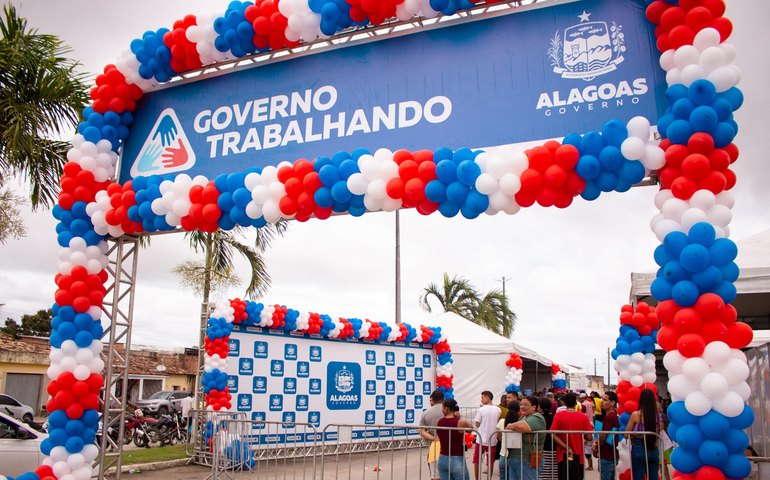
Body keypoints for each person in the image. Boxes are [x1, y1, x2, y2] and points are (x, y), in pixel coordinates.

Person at [502, 396, 546, 480]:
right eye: (521, 404)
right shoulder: (523, 417)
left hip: (527, 459)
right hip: (515, 458)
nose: (522, 407)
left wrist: (510, 425)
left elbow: (522, 427)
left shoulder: (537, 418)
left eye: (526, 405)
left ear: (534, 407)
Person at [552, 392, 593, 480]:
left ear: (564, 403)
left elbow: (554, 435)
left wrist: (566, 447)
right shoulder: (583, 417)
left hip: (562, 455)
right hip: (579, 455)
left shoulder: (558, 415)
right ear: (576, 403)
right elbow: (589, 437)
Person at [625, 388, 664, 480]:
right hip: (653, 448)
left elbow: (626, 434)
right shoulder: (659, 416)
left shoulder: (636, 414)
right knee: (653, 476)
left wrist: (636, 434)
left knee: (638, 476)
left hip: (638, 447)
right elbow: (660, 430)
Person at [437, 399, 473, 480]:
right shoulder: (459, 422)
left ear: (446, 409)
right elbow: (471, 428)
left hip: (442, 458)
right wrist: (459, 418)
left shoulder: (439, 422)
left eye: (442, 408)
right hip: (456, 458)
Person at [474, 391, 501, 480]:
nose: (481, 400)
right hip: (492, 439)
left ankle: (477, 478)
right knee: (491, 462)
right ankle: (489, 478)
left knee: (477, 461)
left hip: (481, 439)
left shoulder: (481, 409)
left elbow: (477, 424)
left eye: (482, 398)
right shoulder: (498, 409)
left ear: (487, 398)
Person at [420, 390, 446, 480]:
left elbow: (422, 431)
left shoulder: (426, 413)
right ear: (444, 399)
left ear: (433, 400)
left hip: (433, 446)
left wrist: (434, 438)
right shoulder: (449, 411)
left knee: (435, 474)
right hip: (450, 445)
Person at [597, 392, 619, 480]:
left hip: (607, 455)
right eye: (602, 399)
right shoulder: (613, 416)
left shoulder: (609, 417)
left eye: (605, 400)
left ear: (613, 403)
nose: (602, 401)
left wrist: (597, 447)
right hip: (611, 454)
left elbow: (603, 436)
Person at [497, 400, 520, 479]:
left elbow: (499, 437)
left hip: (503, 454)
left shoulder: (502, 421)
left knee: (503, 477)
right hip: (516, 456)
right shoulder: (521, 422)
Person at [537, 397, 558, 480]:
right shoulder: (554, 417)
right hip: (554, 447)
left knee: (542, 472)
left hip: (542, 448)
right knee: (553, 472)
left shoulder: (538, 418)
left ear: (540, 407)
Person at [579, 393, 595, 471]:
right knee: (588, 453)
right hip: (589, 435)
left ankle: (590, 466)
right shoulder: (589, 404)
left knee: (587, 454)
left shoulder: (582, 417)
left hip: (587, 437)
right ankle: (590, 465)